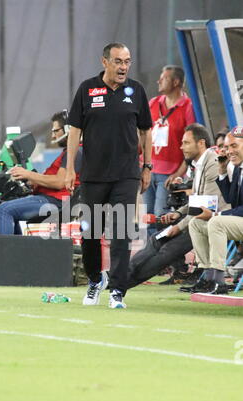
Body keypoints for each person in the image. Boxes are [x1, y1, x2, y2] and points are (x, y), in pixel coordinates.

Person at [65, 42, 152, 309]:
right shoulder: (87, 89)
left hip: (126, 175)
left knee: (121, 232)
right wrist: (70, 167)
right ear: (104, 62)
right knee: (89, 233)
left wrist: (147, 166)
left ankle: (117, 291)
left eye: (127, 61)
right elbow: (75, 131)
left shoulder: (136, 91)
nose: (123, 67)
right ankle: (94, 280)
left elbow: (146, 131)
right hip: (93, 175)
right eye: (118, 61)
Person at [127, 123, 228, 289]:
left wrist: (178, 226)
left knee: (168, 249)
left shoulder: (212, 164)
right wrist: (178, 213)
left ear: (201, 143)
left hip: (210, 220)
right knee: (156, 239)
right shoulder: (199, 164)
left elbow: (208, 206)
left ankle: (123, 281)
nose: (181, 147)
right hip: (198, 217)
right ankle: (123, 275)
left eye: (186, 143)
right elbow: (197, 200)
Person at [0, 111, 82, 235]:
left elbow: (59, 182)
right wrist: (32, 180)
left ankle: (4, 253)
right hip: (54, 199)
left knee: (4, 210)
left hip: (55, 201)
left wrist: (28, 174)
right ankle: (14, 252)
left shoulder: (75, 152)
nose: (53, 136)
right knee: (9, 209)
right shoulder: (71, 152)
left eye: (55, 131)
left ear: (68, 129)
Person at [187, 125, 243, 294]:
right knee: (195, 223)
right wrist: (222, 171)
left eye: (234, 146)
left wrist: (215, 214)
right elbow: (231, 201)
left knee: (217, 222)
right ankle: (207, 275)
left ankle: (220, 280)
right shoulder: (237, 168)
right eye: (226, 147)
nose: (229, 151)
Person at [144, 65, 195, 234]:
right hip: (149, 170)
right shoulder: (153, 104)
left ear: (176, 82)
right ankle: (151, 255)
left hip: (169, 174)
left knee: (161, 216)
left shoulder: (187, 106)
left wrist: (178, 174)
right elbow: (143, 135)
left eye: (164, 78)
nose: (159, 81)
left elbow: (191, 145)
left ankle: (165, 255)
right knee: (149, 217)